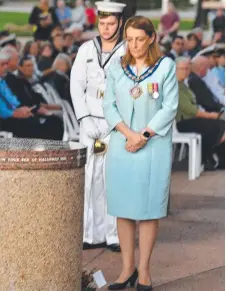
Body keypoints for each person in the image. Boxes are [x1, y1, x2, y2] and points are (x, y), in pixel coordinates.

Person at [103, 16, 178, 290]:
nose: (134, 45)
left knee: (148, 210)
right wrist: (129, 134)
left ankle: (144, 271)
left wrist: (144, 135)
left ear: (151, 38)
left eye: (139, 39)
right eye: (129, 39)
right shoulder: (117, 67)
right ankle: (126, 269)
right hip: (123, 144)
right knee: (123, 209)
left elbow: (169, 107)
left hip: (153, 146)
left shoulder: (165, 67)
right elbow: (109, 105)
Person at [70, 0, 127, 252]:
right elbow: (75, 85)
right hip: (90, 121)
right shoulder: (86, 49)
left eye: (111, 23)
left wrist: (117, 122)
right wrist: (84, 118)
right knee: (88, 177)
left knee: (112, 179)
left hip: (116, 123)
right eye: (102, 23)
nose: (106, 28)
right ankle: (89, 234)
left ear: (120, 23)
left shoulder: (127, 50)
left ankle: (113, 235)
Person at [176, 57, 225, 170]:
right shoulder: (175, 87)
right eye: (182, 69)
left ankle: (212, 157)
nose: (185, 71)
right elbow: (190, 110)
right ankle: (207, 157)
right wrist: (212, 115)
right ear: (175, 70)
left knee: (220, 125)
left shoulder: (183, 85)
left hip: (192, 119)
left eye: (187, 68)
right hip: (184, 122)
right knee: (219, 125)